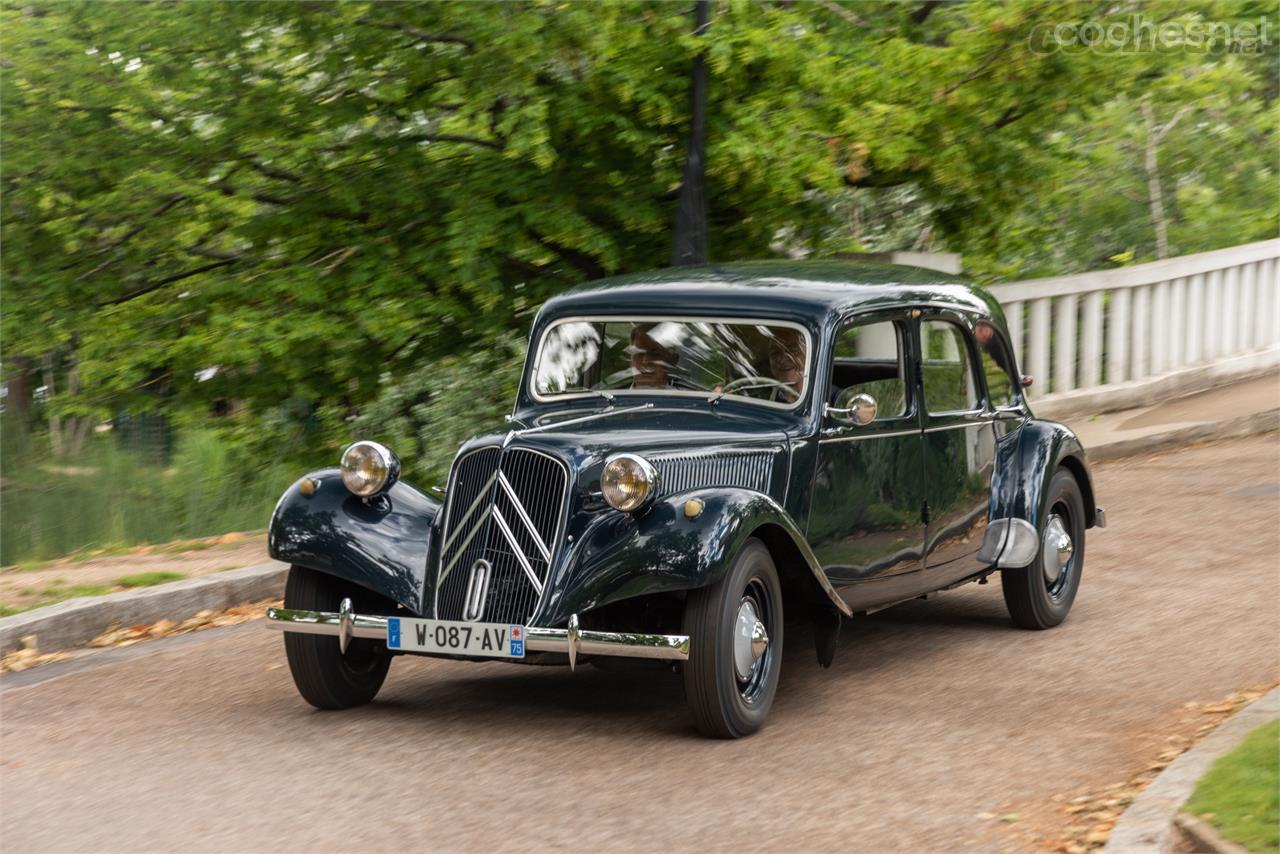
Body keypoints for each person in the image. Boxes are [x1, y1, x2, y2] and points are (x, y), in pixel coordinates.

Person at [629, 324, 678, 389]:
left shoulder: (690, 396)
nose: (645, 362)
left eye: (655, 354)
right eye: (639, 354)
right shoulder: (614, 395)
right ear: (631, 360)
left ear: (672, 361)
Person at [767, 327, 806, 400]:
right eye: (775, 352)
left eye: (792, 350)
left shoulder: (830, 398)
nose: (783, 359)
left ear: (807, 355)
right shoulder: (761, 395)